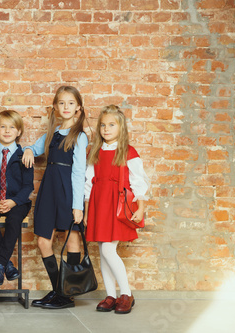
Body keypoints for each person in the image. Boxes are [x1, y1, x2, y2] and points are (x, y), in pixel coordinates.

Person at [22, 85, 88, 309]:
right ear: (55, 107)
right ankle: (59, 291)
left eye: (71, 103)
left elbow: (79, 173)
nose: (66, 107)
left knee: (72, 240)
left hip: (68, 191)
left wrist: (77, 206)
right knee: (43, 241)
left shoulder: (79, 136)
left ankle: (67, 295)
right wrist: (30, 149)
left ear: (78, 107)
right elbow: (34, 147)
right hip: (49, 190)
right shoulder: (52, 133)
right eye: (62, 103)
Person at [84, 104, 150, 314]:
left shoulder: (128, 152)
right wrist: (86, 212)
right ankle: (111, 295)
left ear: (121, 127)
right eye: (103, 125)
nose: (106, 129)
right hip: (98, 203)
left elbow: (139, 182)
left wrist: (141, 207)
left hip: (116, 204)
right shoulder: (95, 151)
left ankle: (126, 294)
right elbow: (88, 183)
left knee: (108, 249)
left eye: (111, 125)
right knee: (102, 252)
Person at [0, 110, 34, 285]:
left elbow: (28, 186)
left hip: (17, 201)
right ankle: (7, 265)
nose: (7, 130)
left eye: (12, 127)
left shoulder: (24, 156)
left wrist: (13, 202)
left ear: (19, 132)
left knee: (14, 220)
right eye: (2, 126)